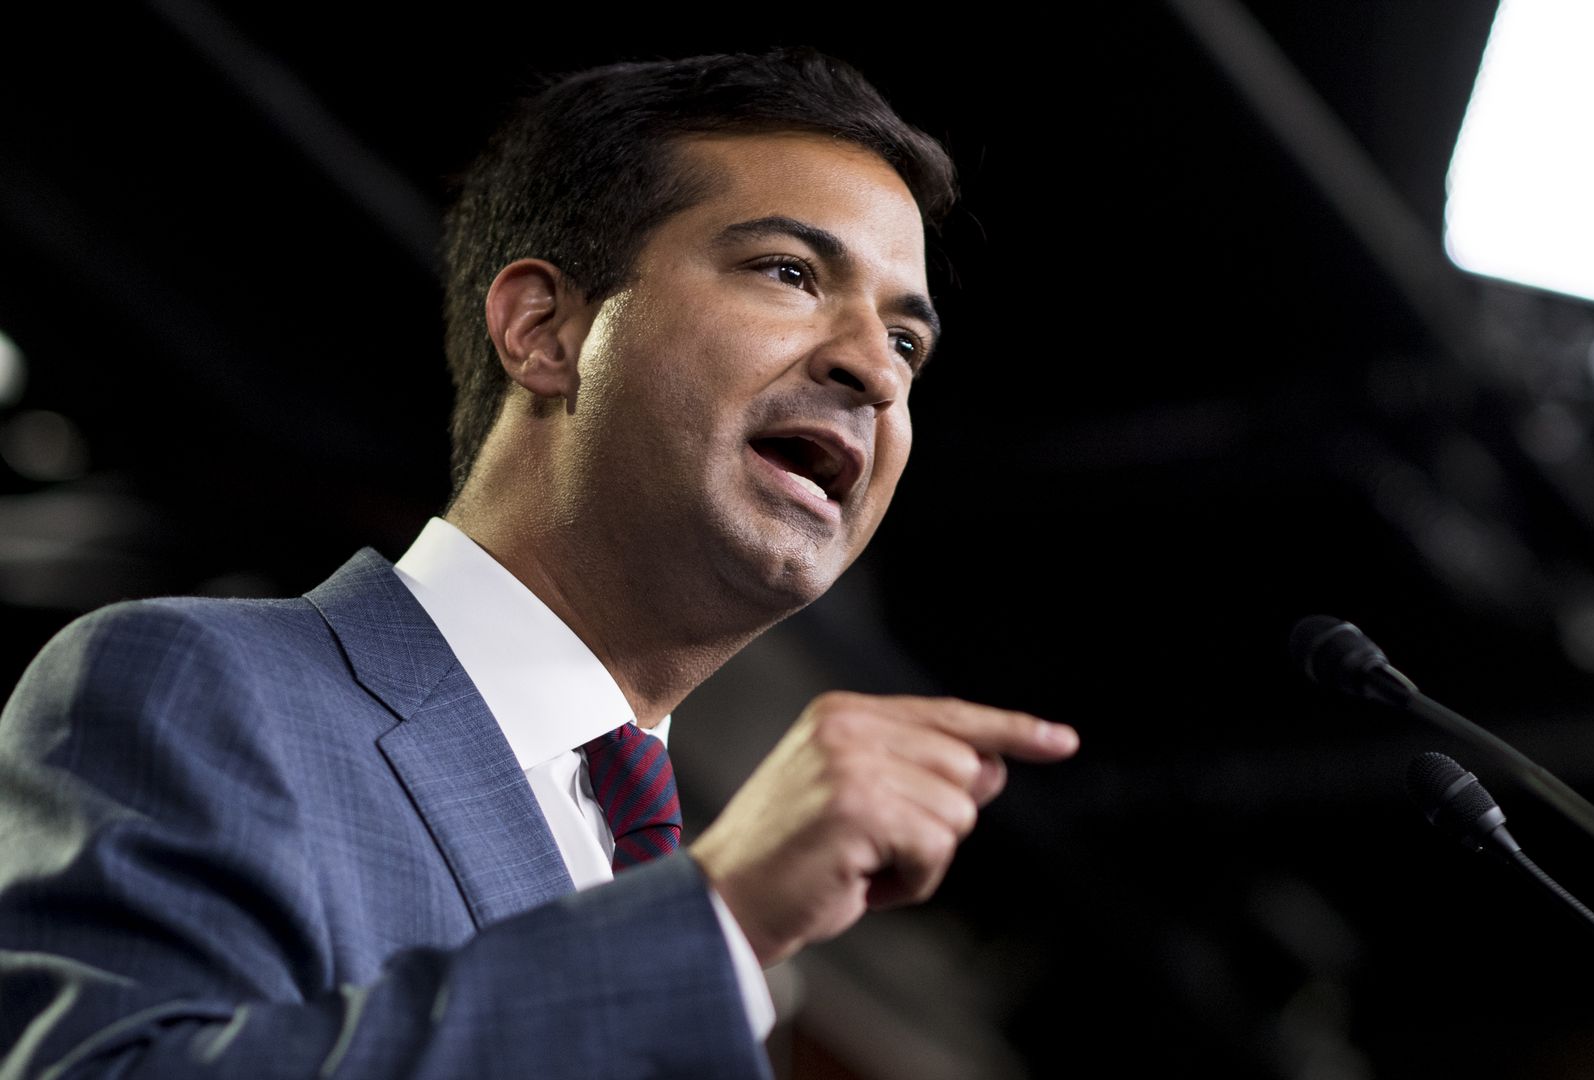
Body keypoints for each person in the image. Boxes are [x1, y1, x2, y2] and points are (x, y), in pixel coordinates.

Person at [0, 48, 1078, 1078]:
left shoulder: (685, 909)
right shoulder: (196, 686)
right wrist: (718, 915)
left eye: (907, 344)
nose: (873, 373)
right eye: (790, 271)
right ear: (544, 330)